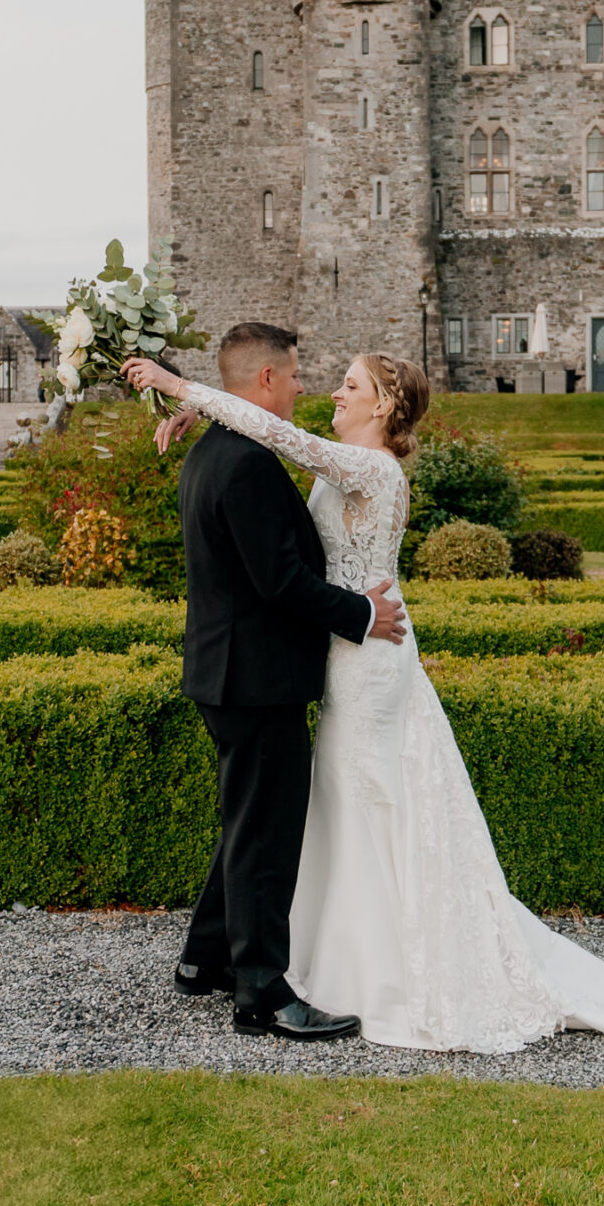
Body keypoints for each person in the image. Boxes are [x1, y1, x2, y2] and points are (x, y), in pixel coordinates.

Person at [126, 339, 604, 1054]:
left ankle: (379, 968)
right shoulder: (345, 462)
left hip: (370, 658)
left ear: (384, 405)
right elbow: (276, 448)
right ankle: (295, 957)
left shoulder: (374, 468)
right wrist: (212, 419)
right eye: (327, 378)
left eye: (349, 382)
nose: (331, 390)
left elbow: (284, 435)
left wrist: (187, 392)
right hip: (344, 646)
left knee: (367, 798)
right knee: (321, 802)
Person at [164, 322, 407, 1042]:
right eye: (298, 373)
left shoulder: (214, 451)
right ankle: (262, 993)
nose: (307, 385)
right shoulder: (245, 462)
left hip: (226, 671)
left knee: (244, 820)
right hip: (257, 678)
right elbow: (282, 583)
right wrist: (362, 613)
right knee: (265, 837)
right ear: (266, 379)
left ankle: (203, 957)